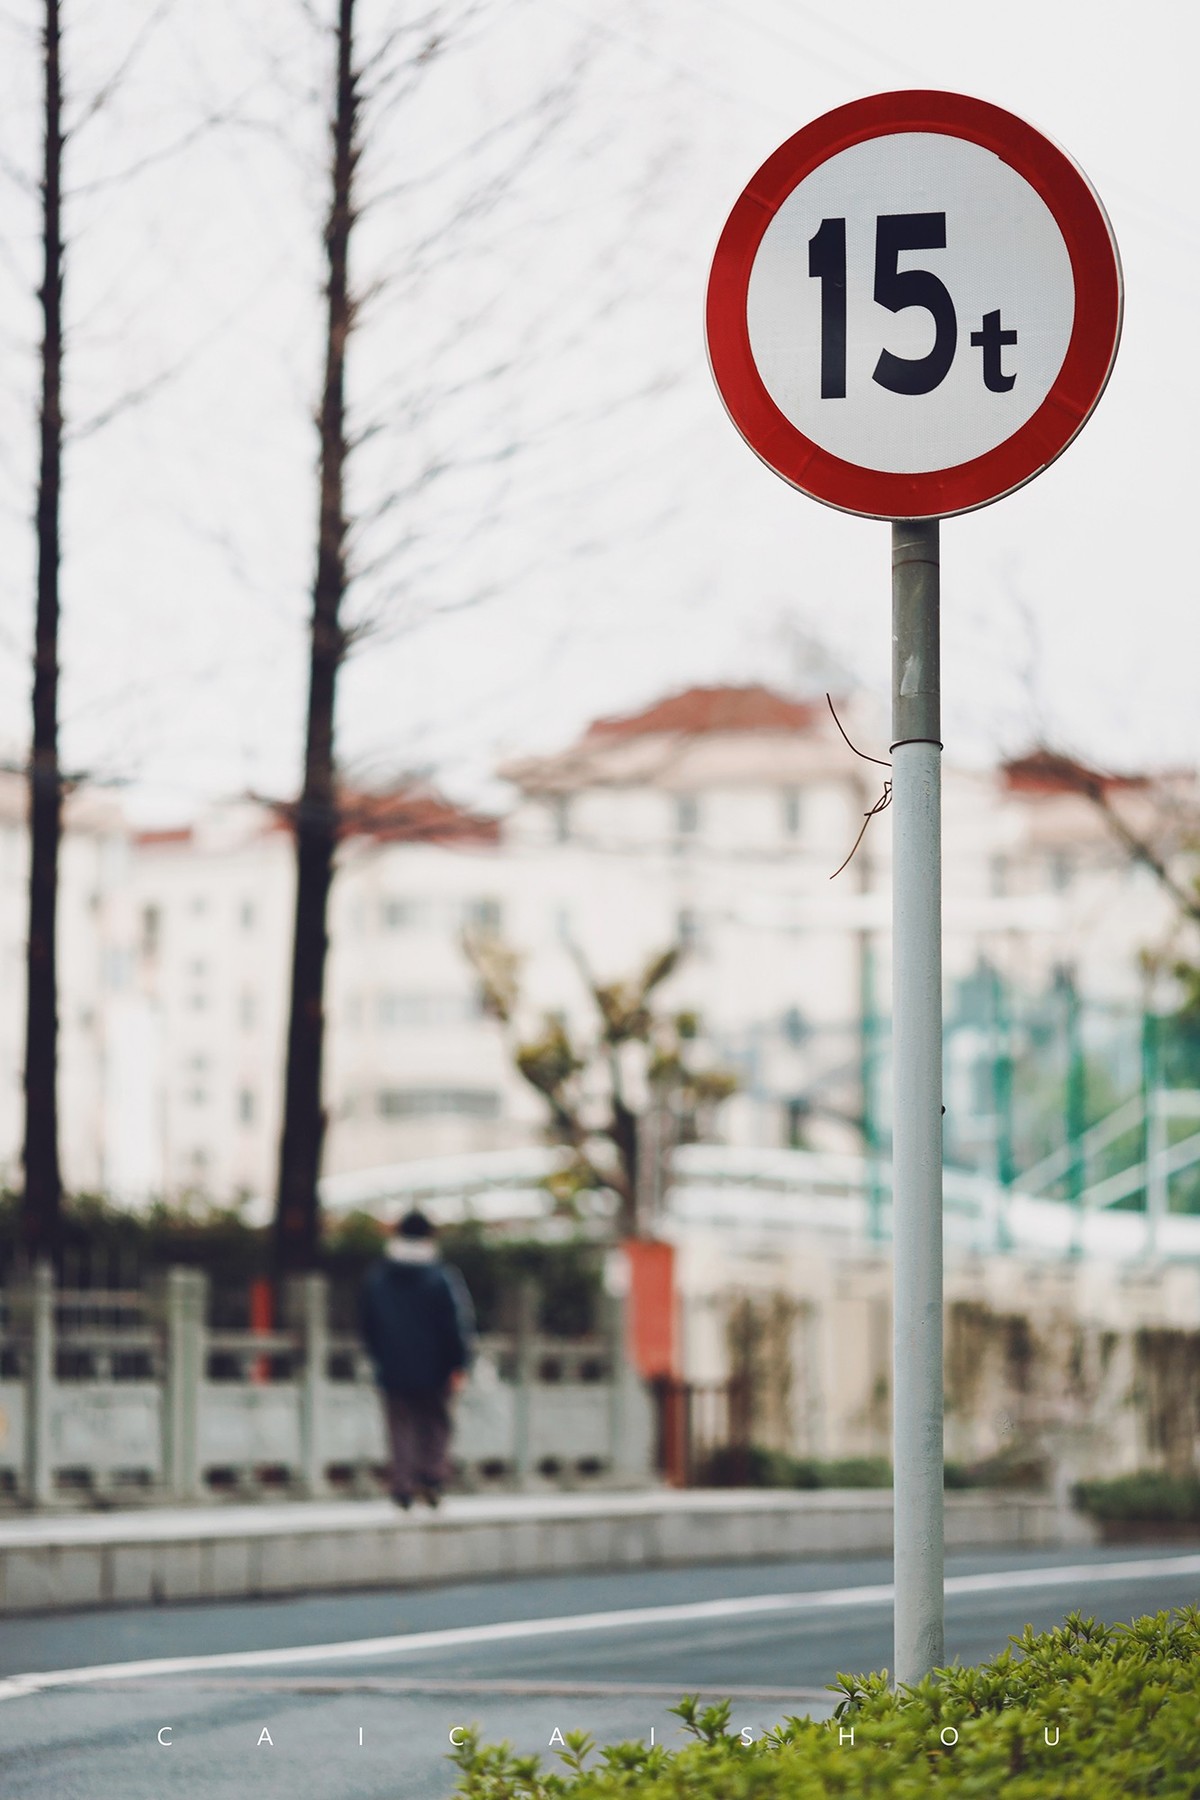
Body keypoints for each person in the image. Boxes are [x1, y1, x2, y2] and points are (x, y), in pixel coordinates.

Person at [359, 1209, 475, 1509]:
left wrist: (378, 1356)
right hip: (436, 1366)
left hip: (393, 1366)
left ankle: (402, 1485)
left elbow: (368, 1323)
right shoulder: (441, 1277)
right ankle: (432, 1478)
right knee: (435, 1422)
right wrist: (459, 1363)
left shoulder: (379, 1277)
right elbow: (455, 1324)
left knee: (400, 1425)